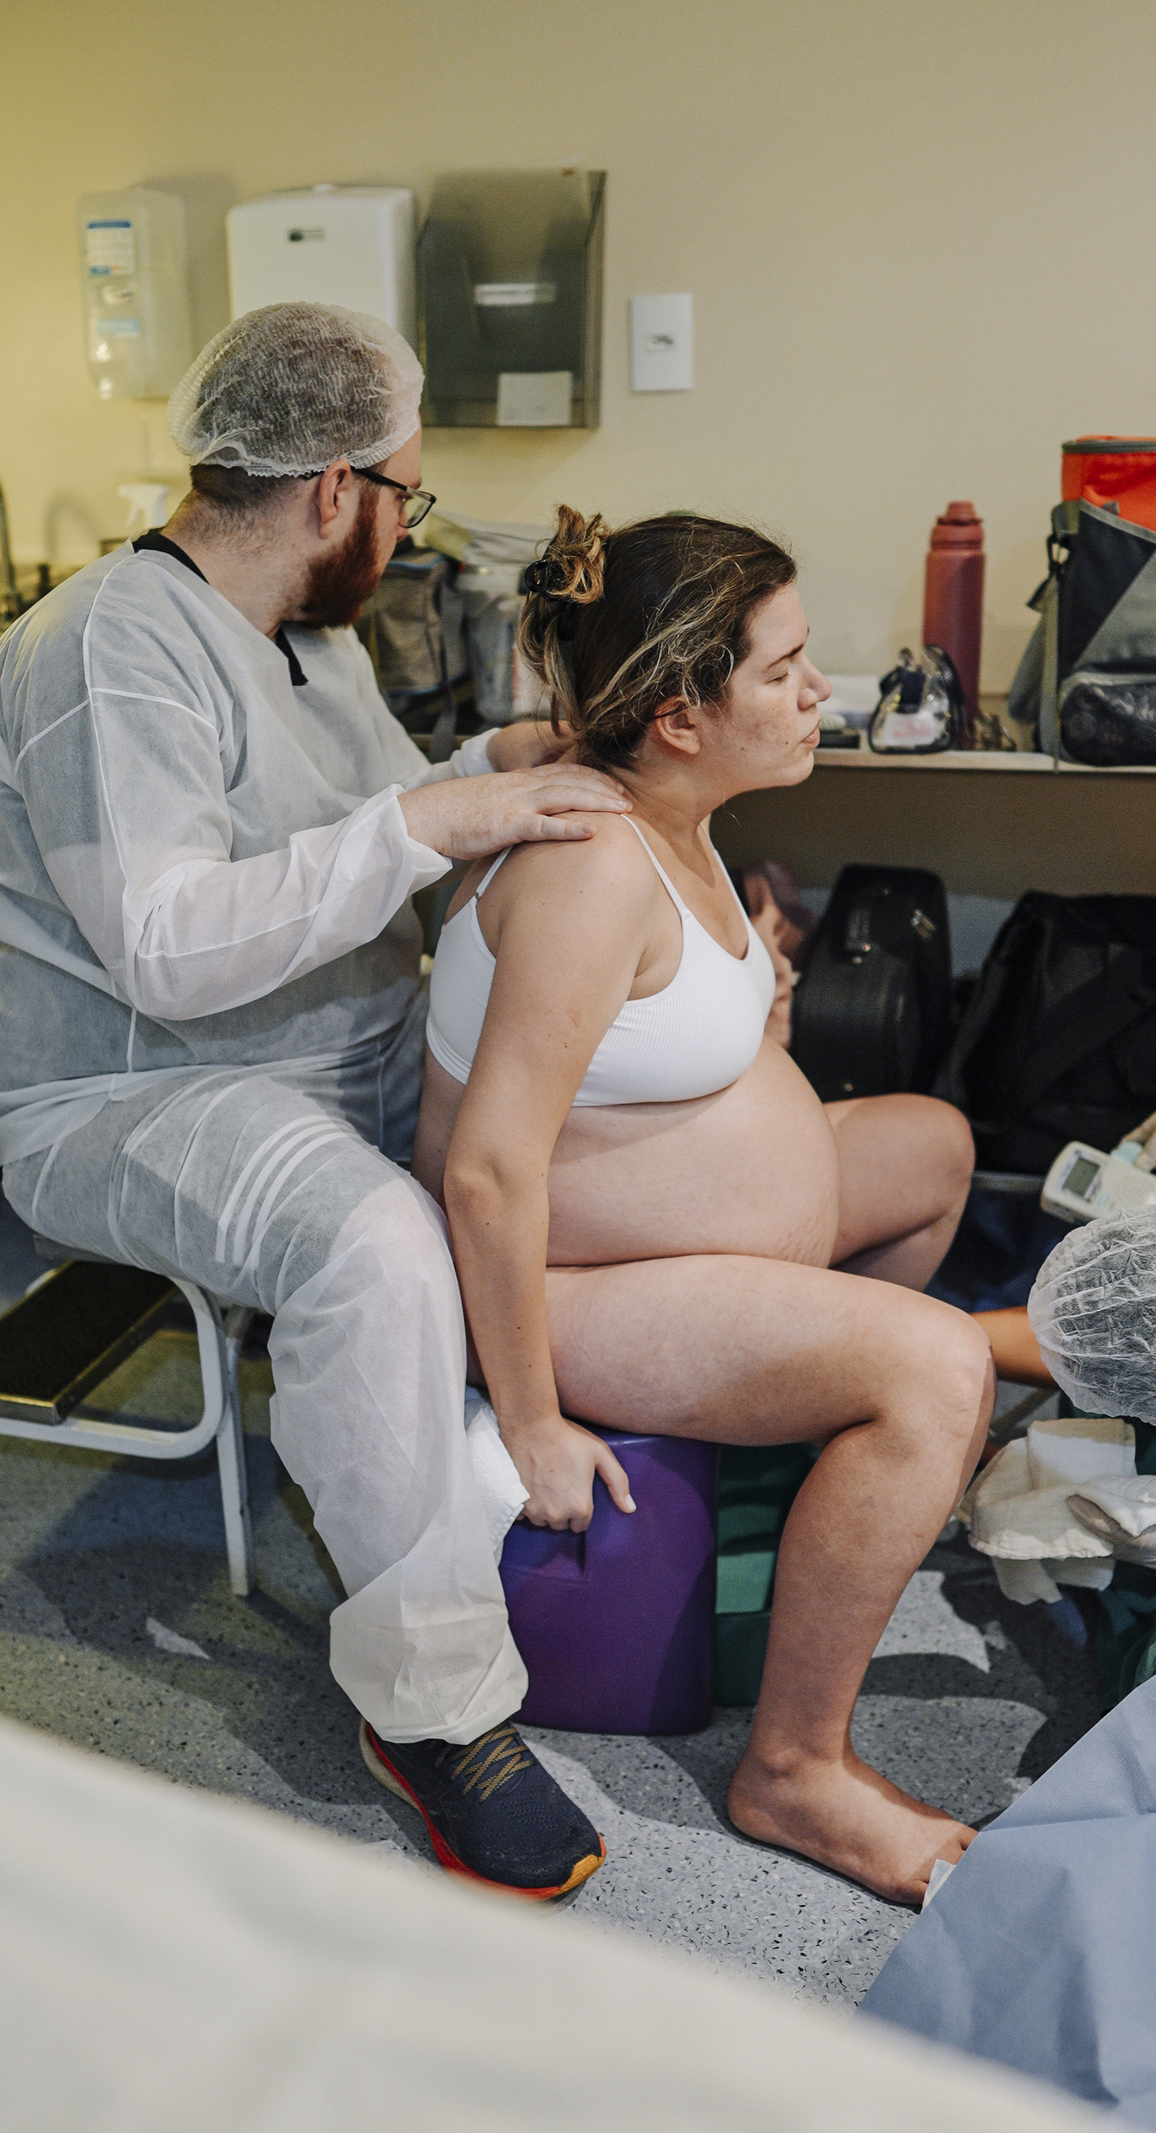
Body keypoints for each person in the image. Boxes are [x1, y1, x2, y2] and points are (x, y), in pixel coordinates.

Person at [0, 305, 636, 1901]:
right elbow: (170, 942)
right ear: (336, 492)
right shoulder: (109, 649)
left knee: (557, 1134)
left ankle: (514, 1443)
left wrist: (494, 762)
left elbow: (360, 810)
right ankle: (437, 1711)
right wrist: (438, 817)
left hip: (330, 1044)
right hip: (136, 1091)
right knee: (378, 1242)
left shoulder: (307, 637)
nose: (406, 533)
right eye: (406, 497)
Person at [414, 507, 996, 1907]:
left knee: (935, 1146)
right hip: (564, 1287)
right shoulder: (590, 866)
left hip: (678, 1237)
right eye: (785, 670)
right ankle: (795, 1769)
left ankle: (832, 1488)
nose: (820, 693)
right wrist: (533, 1419)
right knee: (941, 1366)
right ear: (679, 715)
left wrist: (762, 1017)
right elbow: (488, 1171)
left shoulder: (679, 821)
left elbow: (648, 1059)